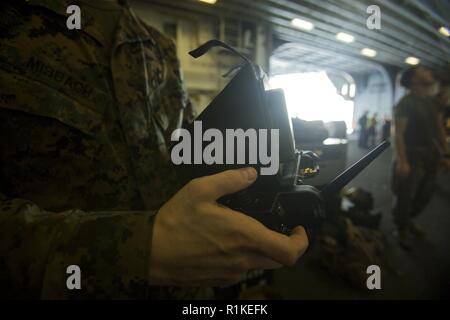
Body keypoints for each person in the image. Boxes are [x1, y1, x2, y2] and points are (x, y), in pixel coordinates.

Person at [0, 0, 308, 299]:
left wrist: (246, 205)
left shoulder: (158, 46)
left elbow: (184, 155)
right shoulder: (14, 22)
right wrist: (138, 251)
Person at [392, 66, 450, 250]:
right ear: (414, 79)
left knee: (426, 193)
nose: (429, 72)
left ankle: (407, 219)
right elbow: (398, 134)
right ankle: (402, 228)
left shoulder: (434, 103)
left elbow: (440, 130)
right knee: (405, 195)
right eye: (423, 70)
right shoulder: (406, 103)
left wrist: (446, 153)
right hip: (411, 154)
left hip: (430, 155)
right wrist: (402, 161)